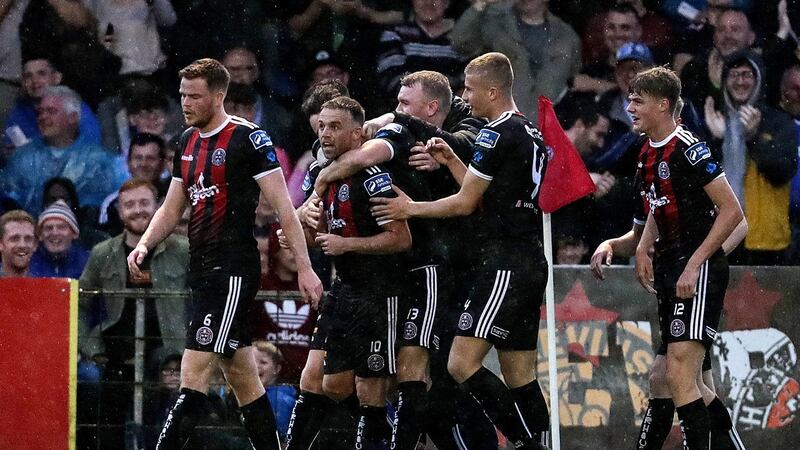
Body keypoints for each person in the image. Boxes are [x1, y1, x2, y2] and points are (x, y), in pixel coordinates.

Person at [126, 58, 322, 450]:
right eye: (182, 95)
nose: (185, 103)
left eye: (194, 96)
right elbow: (170, 207)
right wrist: (146, 243)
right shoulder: (185, 142)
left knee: (193, 370)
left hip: (233, 268)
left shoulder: (249, 139)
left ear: (219, 96)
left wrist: (305, 267)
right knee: (243, 376)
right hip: (202, 268)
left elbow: (284, 208)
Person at [371, 52, 550, 450]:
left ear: (492, 89)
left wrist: (409, 208)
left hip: (503, 262)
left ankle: (525, 444)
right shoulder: (529, 130)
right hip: (529, 258)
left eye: (469, 88)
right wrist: (451, 159)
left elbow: (466, 203)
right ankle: (541, 440)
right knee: (520, 375)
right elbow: (488, 193)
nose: (465, 97)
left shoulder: (495, 132)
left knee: (459, 363)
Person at [313, 70, 497, 450]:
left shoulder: (444, 131)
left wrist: (325, 173)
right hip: (402, 274)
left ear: (431, 108)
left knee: (433, 373)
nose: (395, 108)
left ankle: (494, 440)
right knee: (398, 377)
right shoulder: (403, 130)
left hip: (439, 269)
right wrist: (308, 205)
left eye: (402, 102)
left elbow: (362, 156)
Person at [608, 66, 743, 449]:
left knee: (680, 371)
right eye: (629, 99)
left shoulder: (689, 148)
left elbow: (732, 212)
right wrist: (641, 246)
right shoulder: (646, 152)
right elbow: (657, 205)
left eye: (638, 100)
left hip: (694, 267)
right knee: (687, 379)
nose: (630, 107)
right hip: (670, 268)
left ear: (663, 104)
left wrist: (696, 262)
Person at [309, 96, 410, 447]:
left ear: (357, 135)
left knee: (371, 391)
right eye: (322, 126)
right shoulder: (322, 174)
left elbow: (400, 239)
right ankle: (394, 428)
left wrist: (346, 245)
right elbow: (314, 232)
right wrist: (298, 230)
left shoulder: (372, 177)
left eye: (334, 127)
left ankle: (397, 430)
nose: (325, 134)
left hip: (380, 291)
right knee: (333, 385)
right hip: (346, 290)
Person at [80, 179, 189, 449]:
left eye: (144, 203)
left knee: (168, 430)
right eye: (129, 205)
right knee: (105, 428)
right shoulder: (102, 253)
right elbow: (79, 303)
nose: (138, 210)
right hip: (115, 357)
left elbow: (207, 297)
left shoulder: (183, 250)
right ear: (119, 211)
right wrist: (90, 347)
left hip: (168, 357)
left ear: (157, 206)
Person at [704, 50, 798, 265]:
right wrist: (717, 141)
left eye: (747, 74)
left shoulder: (778, 122)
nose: (740, 81)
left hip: (766, 241)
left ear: (758, 79)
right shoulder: (717, 120)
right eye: (734, 75)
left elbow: (782, 172)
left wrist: (753, 138)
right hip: (722, 237)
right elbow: (697, 180)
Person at [1, 85, 124, 215]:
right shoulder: (22, 157)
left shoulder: (100, 160)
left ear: (73, 117)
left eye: (51, 111)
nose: (43, 117)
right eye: (40, 112)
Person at [451, 0, 581, 121]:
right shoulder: (495, 24)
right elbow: (460, 43)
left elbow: (573, 79)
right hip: (500, 124)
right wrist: (481, 4)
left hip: (550, 128)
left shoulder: (566, 36)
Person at [3, 57, 101, 149]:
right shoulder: (18, 112)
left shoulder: (75, 109)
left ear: (57, 78)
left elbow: (91, 148)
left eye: (41, 74)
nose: (34, 80)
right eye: (28, 76)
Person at [376, 0, 466, 99]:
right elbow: (391, 80)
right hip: (406, 109)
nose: (428, 3)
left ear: (447, 2)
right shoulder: (395, 34)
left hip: (452, 109)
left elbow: (467, 81)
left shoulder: (463, 37)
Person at [98, 133, 168, 236]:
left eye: (150, 158)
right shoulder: (113, 202)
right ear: (128, 163)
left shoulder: (174, 196)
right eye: (138, 158)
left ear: (162, 164)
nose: (143, 164)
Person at [28, 199, 88, 278]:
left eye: (61, 227)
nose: (55, 233)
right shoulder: (28, 262)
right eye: (48, 228)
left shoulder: (88, 262)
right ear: (40, 236)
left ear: (74, 233)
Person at [0, 209, 37, 277]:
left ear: (35, 245)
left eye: (28, 239)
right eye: (14, 238)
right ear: (1, 244)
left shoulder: (43, 285)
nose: (22, 245)